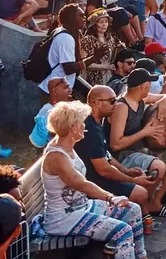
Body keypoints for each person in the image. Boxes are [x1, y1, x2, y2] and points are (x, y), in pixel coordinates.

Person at [39, 101, 148, 259]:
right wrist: (111, 197)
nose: (85, 126)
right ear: (73, 128)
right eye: (82, 123)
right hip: (64, 219)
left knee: (133, 209)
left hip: (82, 208)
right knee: (122, 231)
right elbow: (82, 184)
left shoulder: (67, 145)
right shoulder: (57, 156)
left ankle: (141, 256)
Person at [107, 68, 166, 214]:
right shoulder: (121, 106)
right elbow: (115, 144)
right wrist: (145, 132)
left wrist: (164, 100)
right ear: (143, 87)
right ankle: (142, 209)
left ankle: (154, 202)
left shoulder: (141, 99)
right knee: (159, 167)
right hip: (123, 155)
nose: (150, 87)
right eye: (149, 84)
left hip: (140, 150)